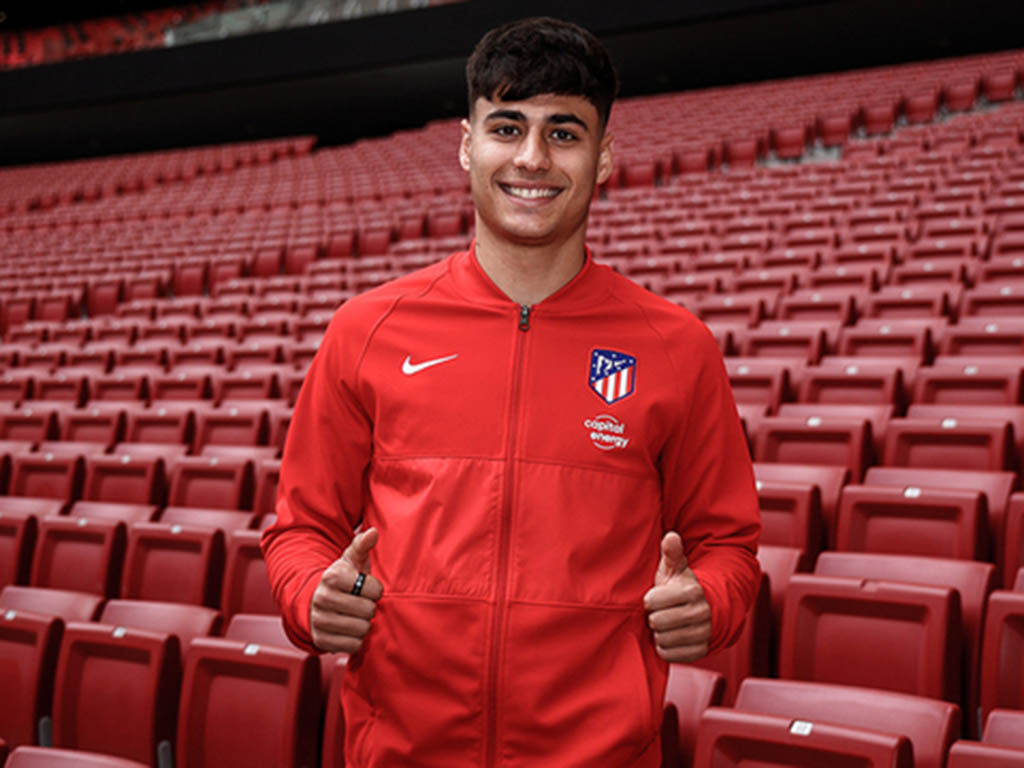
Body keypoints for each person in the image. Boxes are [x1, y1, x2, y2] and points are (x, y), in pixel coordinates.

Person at [261, 16, 761, 767]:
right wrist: (311, 598)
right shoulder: (366, 329)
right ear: (467, 145)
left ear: (603, 158)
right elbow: (300, 529)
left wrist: (711, 606)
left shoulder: (675, 347)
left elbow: (728, 545)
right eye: (507, 127)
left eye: (564, 133)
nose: (532, 158)